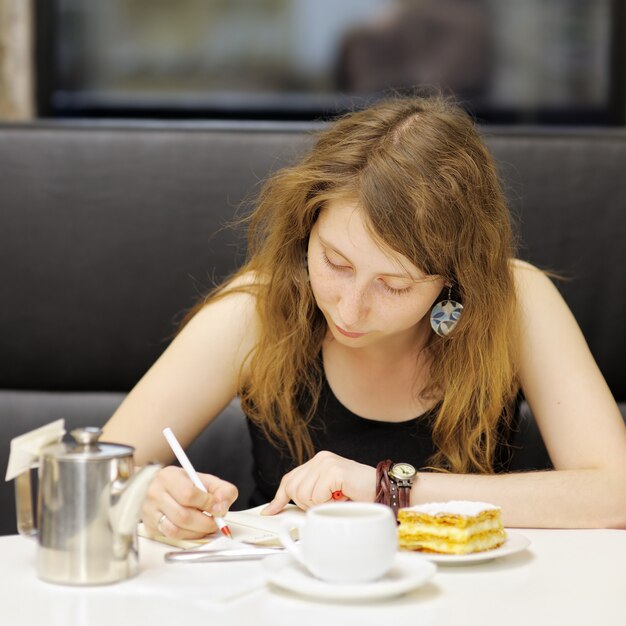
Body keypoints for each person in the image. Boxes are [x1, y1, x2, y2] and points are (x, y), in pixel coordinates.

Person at [102, 96, 626, 540]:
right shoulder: (258, 308)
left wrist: (390, 490)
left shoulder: (515, 303)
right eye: (335, 262)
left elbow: (617, 493)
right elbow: (92, 469)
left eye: (394, 285)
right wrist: (145, 494)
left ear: (454, 277)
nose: (349, 310)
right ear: (306, 227)